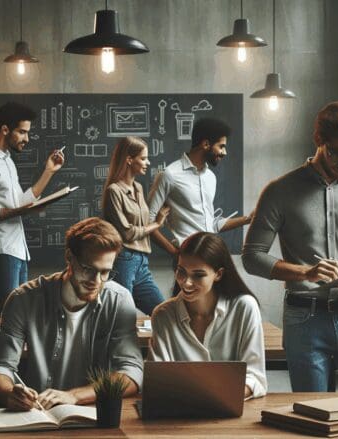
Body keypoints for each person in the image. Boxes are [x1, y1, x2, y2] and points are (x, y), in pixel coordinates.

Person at [241, 100, 338, 402]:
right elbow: (252, 256)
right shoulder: (279, 191)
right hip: (304, 319)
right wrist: (304, 272)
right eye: (337, 154)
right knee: (316, 418)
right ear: (318, 141)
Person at [0, 218, 143, 410]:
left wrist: (75, 396)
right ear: (69, 257)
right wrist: (9, 393)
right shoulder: (23, 299)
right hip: (38, 414)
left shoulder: (119, 300)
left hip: (95, 413)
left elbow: (132, 373)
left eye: (105, 272)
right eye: (88, 269)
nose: (96, 281)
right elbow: (0, 367)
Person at [0, 101, 65, 317]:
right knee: (5, 314)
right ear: (4, 129)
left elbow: (18, 203)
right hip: (2, 251)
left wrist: (49, 171)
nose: (27, 139)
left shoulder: (6, 160)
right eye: (22, 132)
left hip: (17, 249)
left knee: (19, 314)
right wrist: (20, 212)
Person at [149, 232, 267, 399]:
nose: (186, 282)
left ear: (218, 274)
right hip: (179, 416)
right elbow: (158, 381)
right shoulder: (163, 314)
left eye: (198, 275)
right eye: (181, 271)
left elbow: (255, 378)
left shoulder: (244, 307)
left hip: (230, 411)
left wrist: (216, 396)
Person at [147, 117, 253, 261]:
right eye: (221, 146)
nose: (224, 152)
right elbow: (147, 222)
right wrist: (174, 252)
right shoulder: (169, 175)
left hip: (211, 254)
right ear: (206, 144)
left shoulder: (210, 177)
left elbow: (211, 225)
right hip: (187, 257)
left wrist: (248, 219)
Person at [102, 136, 171, 315]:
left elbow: (140, 224)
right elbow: (128, 233)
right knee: (122, 316)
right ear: (129, 159)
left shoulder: (139, 188)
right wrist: (157, 224)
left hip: (141, 261)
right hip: (124, 260)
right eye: (143, 158)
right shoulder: (114, 192)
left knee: (163, 312)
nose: (147, 162)